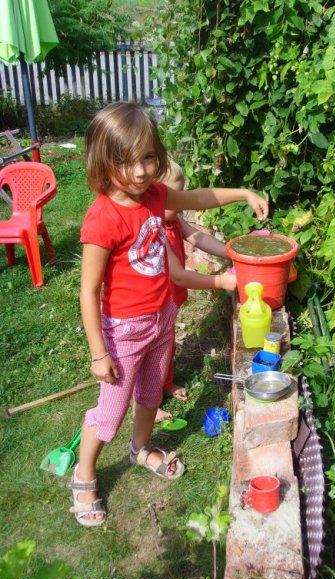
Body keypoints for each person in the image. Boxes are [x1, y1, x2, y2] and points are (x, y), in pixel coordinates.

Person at [68, 101, 268, 527]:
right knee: (109, 412)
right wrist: (98, 353)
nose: (140, 171)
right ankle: (84, 472)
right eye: (125, 160)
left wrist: (244, 193)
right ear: (103, 162)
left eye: (147, 157)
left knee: (149, 395)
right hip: (123, 332)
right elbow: (88, 291)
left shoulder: (156, 195)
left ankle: (140, 448)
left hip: (161, 319)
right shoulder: (102, 218)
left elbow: (198, 197)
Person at [155, 209, 236, 419]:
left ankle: (166, 383)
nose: (181, 205)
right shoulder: (151, 228)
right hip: (154, 303)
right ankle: (146, 406)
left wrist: (231, 252)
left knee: (167, 343)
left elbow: (197, 237)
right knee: (151, 353)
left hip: (168, 301)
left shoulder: (173, 219)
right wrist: (219, 281)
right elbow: (180, 277)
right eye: (175, 198)